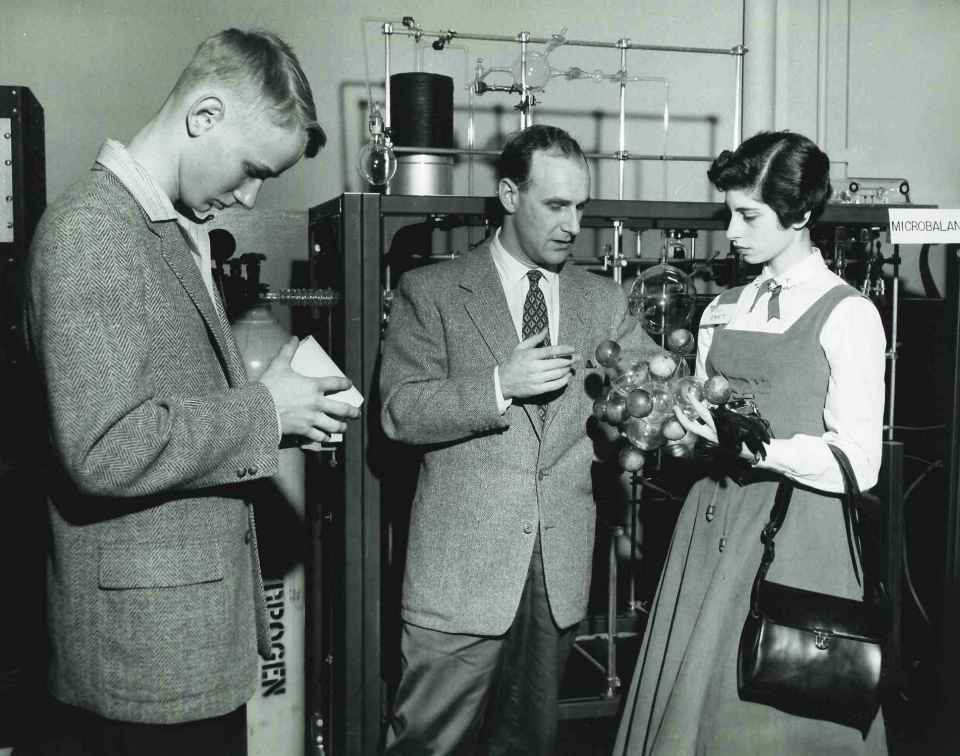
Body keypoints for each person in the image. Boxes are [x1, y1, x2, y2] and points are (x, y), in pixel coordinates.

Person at [22, 29, 359, 755]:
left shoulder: (164, 232)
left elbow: (167, 398)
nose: (249, 194)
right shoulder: (91, 232)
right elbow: (102, 447)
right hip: (142, 666)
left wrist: (276, 403)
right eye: (249, 169)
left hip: (187, 646)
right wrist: (266, 412)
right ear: (203, 115)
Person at [613, 131, 888, 755]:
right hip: (708, 526)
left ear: (803, 215)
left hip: (800, 538)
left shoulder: (848, 314)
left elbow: (859, 462)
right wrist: (666, 428)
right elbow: (704, 430)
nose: (731, 231)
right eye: (729, 212)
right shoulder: (722, 310)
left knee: (773, 717)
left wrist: (757, 451)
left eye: (749, 215)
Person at [379, 124, 650, 754]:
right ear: (508, 194)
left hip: (555, 573)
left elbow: (651, 389)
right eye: (555, 205)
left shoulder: (602, 301)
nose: (571, 224)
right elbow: (399, 410)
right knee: (427, 743)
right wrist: (500, 383)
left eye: (580, 207)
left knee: (528, 743)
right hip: (461, 575)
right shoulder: (433, 291)